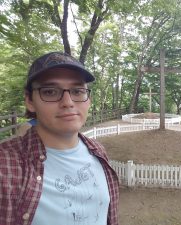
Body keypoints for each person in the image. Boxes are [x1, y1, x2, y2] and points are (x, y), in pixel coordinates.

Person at [0, 52, 119, 225]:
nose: (68, 102)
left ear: (88, 99)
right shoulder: (6, 166)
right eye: (50, 92)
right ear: (29, 101)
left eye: (77, 91)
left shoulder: (98, 152)